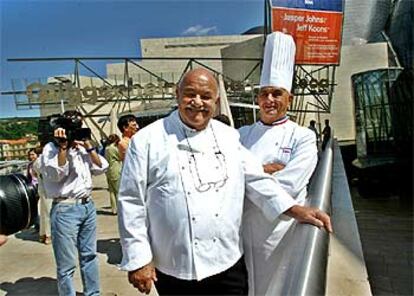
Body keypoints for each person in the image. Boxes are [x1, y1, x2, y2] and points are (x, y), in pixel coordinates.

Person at [117, 68, 332, 295]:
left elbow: (256, 179)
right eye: (190, 94)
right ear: (177, 93)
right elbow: (132, 202)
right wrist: (138, 258)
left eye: (206, 96)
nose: (198, 102)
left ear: (216, 101)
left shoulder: (228, 136)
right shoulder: (146, 141)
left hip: (227, 263)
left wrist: (295, 209)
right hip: (173, 266)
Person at [238, 31, 319, 295]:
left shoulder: (304, 136)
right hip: (240, 232)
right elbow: (228, 178)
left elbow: (291, 184)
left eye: (277, 93)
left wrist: (250, 176)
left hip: (279, 232)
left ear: (289, 98)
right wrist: (265, 171)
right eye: (264, 94)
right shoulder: (241, 134)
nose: (269, 100)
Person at [40, 110, 108, 296]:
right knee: (66, 263)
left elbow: (102, 167)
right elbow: (55, 174)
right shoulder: (51, 149)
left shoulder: (81, 148)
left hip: (87, 206)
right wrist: (63, 148)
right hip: (65, 208)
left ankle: (93, 293)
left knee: (89, 255)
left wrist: (88, 146)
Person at [32, 146, 53, 244]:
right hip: (49, 189)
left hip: (41, 188)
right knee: (49, 212)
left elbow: (35, 175)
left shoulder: (35, 162)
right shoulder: (45, 161)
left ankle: (42, 234)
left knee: (43, 212)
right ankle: (49, 235)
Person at [104, 134, 122, 214]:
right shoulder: (113, 148)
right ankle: (119, 208)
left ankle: (114, 209)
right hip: (116, 169)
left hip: (108, 170)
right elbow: (120, 157)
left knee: (111, 191)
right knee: (118, 190)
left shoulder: (106, 148)